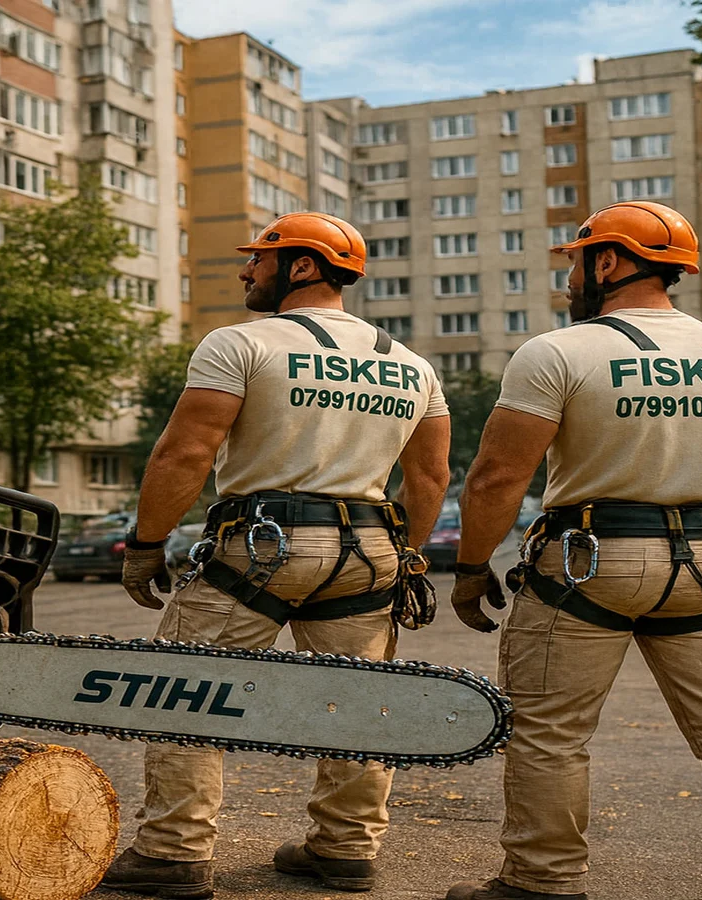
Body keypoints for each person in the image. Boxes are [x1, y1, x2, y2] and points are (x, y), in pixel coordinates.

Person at [108, 212, 452, 899]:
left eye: (257, 260)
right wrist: (408, 557)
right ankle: (345, 849)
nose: (244, 271)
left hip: (261, 543)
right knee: (355, 702)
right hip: (368, 547)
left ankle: (174, 852)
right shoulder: (411, 366)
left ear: (301, 266)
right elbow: (432, 477)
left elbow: (185, 451)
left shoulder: (238, 345)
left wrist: (146, 545)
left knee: (186, 693)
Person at [446, 201, 702, 900]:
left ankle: (542, 881)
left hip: (592, 562)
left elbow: (499, 475)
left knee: (549, 733)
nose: (570, 279)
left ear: (611, 261)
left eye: (577, 262)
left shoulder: (559, 351)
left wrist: (471, 570)